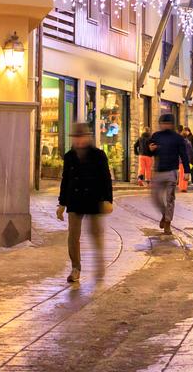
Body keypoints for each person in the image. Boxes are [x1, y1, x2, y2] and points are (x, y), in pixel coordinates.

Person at [56, 121, 113, 283]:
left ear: (88, 137)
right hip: (74, 200)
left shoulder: (98, 155)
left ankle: (99, 264)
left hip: (94, 200)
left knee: (96, 234)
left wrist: (108, 200)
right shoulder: (69, 156)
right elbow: (65, 180)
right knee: (73, 236)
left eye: (81, 137)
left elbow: (106, 179)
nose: (79, 141)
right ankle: (75, 268)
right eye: (76, 138)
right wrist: (62, 204)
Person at [145, 112, 189, 234]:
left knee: (170, 198)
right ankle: (165, 214)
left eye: (167, 123)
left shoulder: (178, 138)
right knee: (155, 197)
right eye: (163, 123)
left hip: (172, 172)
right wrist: (150, 150)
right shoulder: (156, 136)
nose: (165, 125)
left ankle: (168, 223)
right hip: (159, 171)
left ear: (172, 124)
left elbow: (184, 155)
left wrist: (187, 171)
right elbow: (148, 152)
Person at [178, 124, 193, 192]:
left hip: (181, 161)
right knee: (186, 174)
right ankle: (184, 188)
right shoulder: (188, 142)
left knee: (181, 175)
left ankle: (181, 187)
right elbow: (191, 152)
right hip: (186, 160)